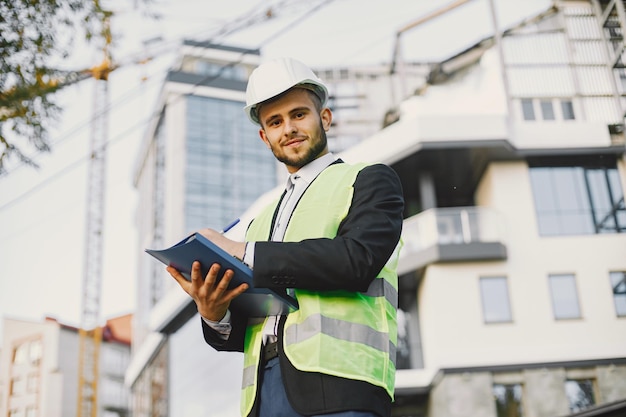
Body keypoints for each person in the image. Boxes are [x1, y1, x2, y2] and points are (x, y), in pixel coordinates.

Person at [167, 57, 404, 417]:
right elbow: (245, 323)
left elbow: (356, 261)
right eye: (275, 122)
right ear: (265, 137)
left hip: (342, 385)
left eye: (298, 114)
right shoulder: (259, 221)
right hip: (263, 395)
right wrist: (214, 312)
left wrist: (242, 251)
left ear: (324, 118)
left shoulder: (369, 180)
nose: (288, 128)